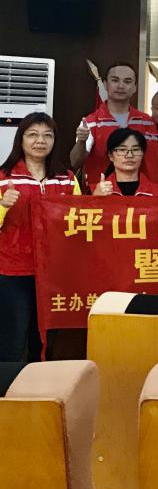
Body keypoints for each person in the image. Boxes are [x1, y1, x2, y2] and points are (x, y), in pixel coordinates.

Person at [0, 113, 79, 361]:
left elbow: (81, 223)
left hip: (55, 274)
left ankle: (41, 385)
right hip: (13, 272)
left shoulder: (67, 179)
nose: (40, 141)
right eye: (32, 135)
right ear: (20, 139)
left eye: (47, 135)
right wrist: (2, 205)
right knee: (12, 344)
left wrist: (98, 200)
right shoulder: (4, 177)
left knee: (45, 344)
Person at [71, 62, 157, 191]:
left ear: (135, 87)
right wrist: (82, 141)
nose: (121, 86)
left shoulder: (147, 122)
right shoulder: (91, 122)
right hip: (100, 194)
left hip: (141, 195)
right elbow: (75, 162)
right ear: (105, 84)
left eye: (127, 81)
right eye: (115, 80)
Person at [91, 127, 158, 197]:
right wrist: (95, 198)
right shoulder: (94, 191)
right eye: (122, 150)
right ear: (110, 156)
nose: (129, 155)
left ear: (143, 154)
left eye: (135, 150)